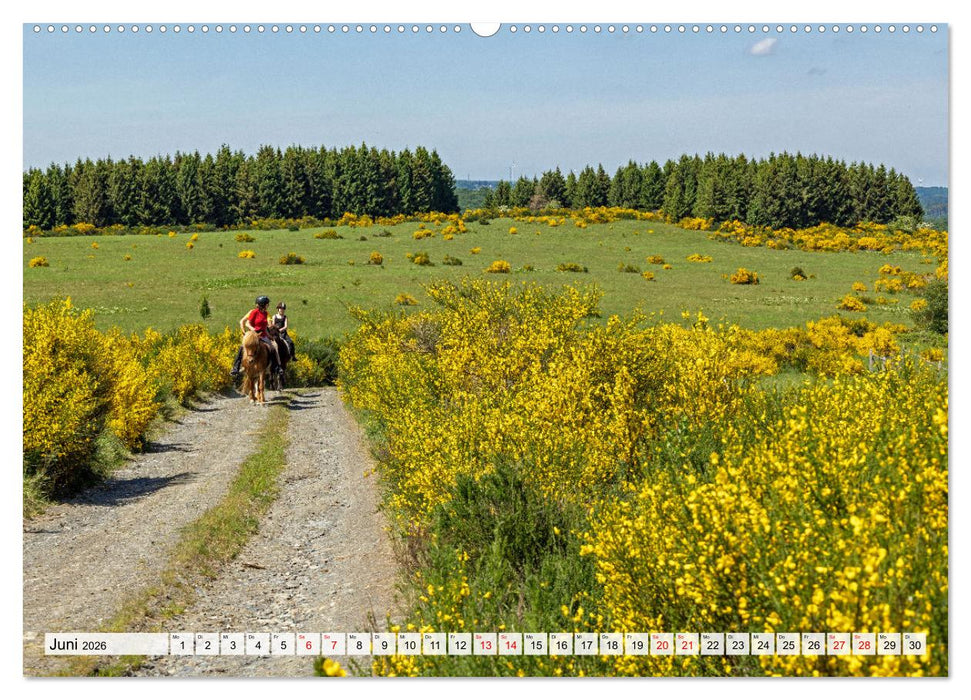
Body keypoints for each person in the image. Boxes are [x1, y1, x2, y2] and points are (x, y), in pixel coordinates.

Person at [230, 296, 284, 378]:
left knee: (274, 347)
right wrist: (253, 329)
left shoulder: (265, 313)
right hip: (253, 334)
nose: (268, 305)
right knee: (242, 347)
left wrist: (269, 336)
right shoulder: (254, 312)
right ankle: (235, 368)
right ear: (263, 305)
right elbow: (247, 323)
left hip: (263, 335)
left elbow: (265, 328)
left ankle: (277, 367)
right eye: (267, 304)